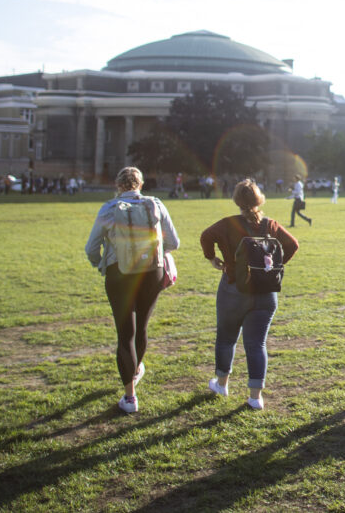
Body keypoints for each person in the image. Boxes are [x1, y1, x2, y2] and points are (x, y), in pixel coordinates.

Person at [85, 167, 179, 414]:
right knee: (142, 327)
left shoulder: (109, 209)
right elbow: (174, 242)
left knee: (125, 332)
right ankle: (136, 371)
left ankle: (130, 397)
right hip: (151, 272)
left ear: (118, 186)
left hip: (120, 273)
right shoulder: (156, 204)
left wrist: (100, 263)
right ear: (140, 184)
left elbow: (91, 247)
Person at [200, 179, 299, 410]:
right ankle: (255, 397)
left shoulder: (227, 224)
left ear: (237, 201)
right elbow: (293, 244)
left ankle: (222, 383)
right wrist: (274, 266)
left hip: (234, 289)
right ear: (259, 200)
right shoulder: (270, 225)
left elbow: (206, 236)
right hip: (266, 292)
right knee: (257, 344)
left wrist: (212, 258)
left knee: (226, 338)